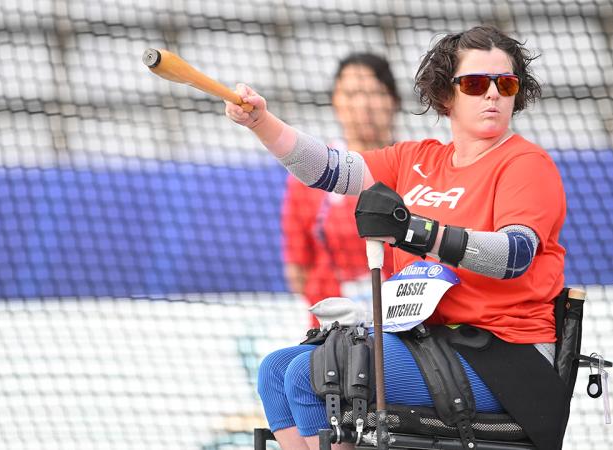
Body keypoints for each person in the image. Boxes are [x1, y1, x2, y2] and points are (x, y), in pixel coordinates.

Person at [226, 24, 565, 450]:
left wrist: (417, 232)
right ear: (446, 95)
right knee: (275, 371)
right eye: (476, 83)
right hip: (433, 342)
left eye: (506, 82)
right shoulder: (416, 160)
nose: (493, 93)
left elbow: (514, 255)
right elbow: (327, 168)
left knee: (309, 373)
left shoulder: (525, 163)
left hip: (505, 357)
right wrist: (262, 122)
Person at [282, 53, 398, 326]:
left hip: (403, 326)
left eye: (374, 93)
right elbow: (297, 268)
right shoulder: (311, 172)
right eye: (352, 93)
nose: (363, 105)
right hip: (331, 331)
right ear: (335, 101)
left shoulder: (417, 168)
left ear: (393, 100)